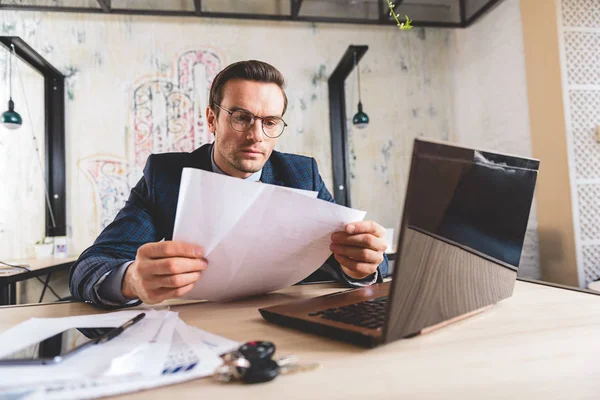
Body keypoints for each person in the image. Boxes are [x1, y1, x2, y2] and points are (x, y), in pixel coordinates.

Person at [69, 60, 389, 309]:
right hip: (198, 321)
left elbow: (358, 259)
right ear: (212, 120)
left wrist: (361, 266)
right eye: (241, 117)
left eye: (269, 122)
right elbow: (92, 266)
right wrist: (132, 280)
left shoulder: (301, 172)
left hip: (287, 317)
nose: (256, 135)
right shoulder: (165, 175)